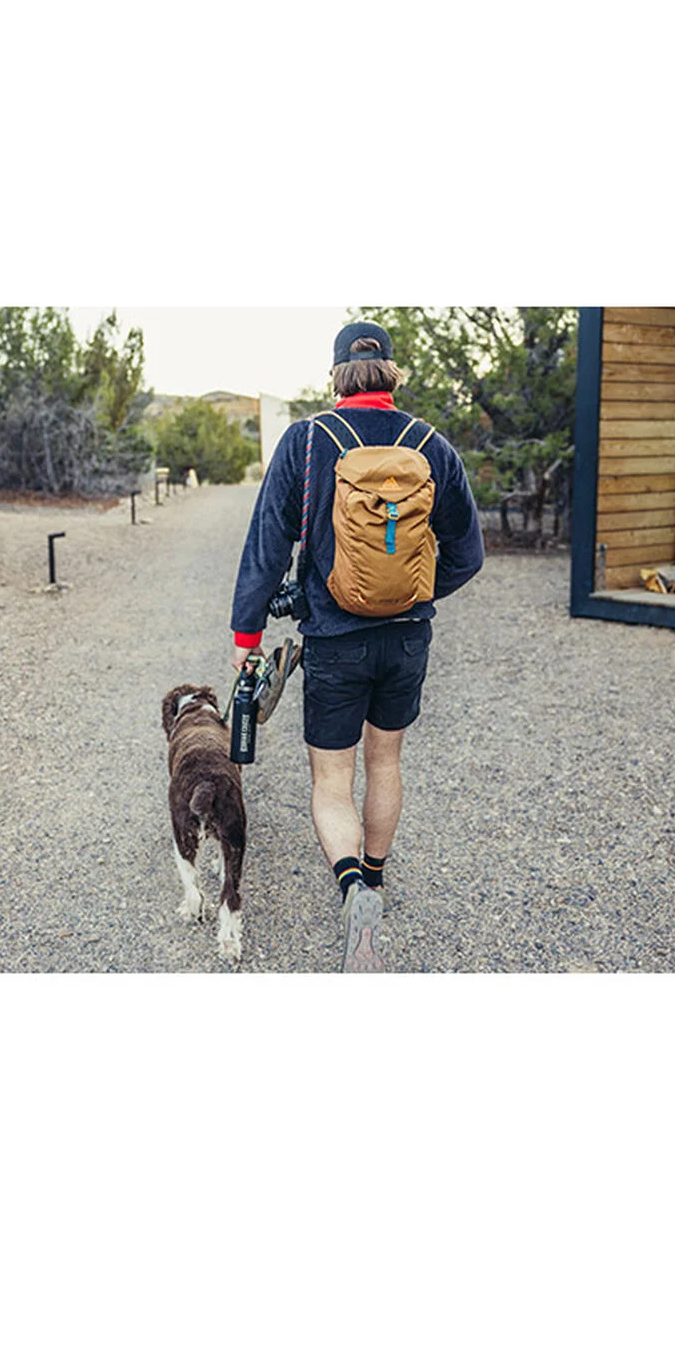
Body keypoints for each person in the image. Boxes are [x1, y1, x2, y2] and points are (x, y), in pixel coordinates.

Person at [230, 320, 484, 972]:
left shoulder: (306, 441)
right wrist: (415, 592)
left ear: (337, 375)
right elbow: (468, 554)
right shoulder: (431, 445)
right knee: (386, 762)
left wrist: (247, 636)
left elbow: (267, 546)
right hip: (408, 639)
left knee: (332, 779)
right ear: (391, 372)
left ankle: (352, 890)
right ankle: (376, 874)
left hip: (334, 638)